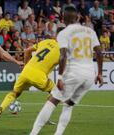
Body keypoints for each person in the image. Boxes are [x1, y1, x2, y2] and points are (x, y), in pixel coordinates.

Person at [29, 7, 103, 135]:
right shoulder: (90, 31)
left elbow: (62, 56)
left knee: (52, 101)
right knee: (68, 105)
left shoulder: (64, 33)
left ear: (63, 18)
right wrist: (100, 74)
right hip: (90, 75)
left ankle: (33, 133)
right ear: (78, 17)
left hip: (74, 73)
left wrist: (60, 77)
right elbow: (99, 53)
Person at [0, 36, 61, 122]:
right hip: (39, 76)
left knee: (14, 93)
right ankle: (44, 117)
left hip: (26, 71)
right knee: (56, 93)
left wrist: (26, 64)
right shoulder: (62, 51)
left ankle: (0, 108)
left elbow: (27, 51)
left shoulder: (46, 41)